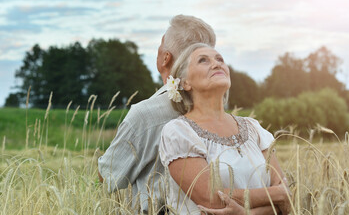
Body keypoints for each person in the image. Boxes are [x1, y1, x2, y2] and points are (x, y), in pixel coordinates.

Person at [97, 15, 217, 214]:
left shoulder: (144, 115)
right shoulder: (218, 112)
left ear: (165, 58)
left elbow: (108, 176)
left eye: (161, 43)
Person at [159, 43, 291, 214]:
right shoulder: (178, 132)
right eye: (203, 60)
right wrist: (276, 194)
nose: (216, 63)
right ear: (185, 83)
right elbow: (211, 200)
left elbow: (287, 203)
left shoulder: (253, 128)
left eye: (220, 59)